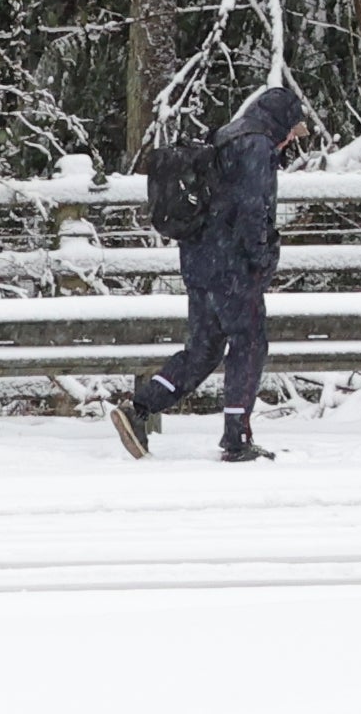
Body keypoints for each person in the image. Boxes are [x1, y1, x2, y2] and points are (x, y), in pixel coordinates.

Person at [115, 74, 304, 463]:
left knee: (204, 349)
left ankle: (139, 410)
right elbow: (254, 211)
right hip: (232, 266)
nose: (292, 141)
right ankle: (236, 437)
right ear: (281, 122)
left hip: (201, 260)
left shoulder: (226, 137)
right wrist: (262, 258)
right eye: (293, 132)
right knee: (249, 344)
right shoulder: (257, 145)